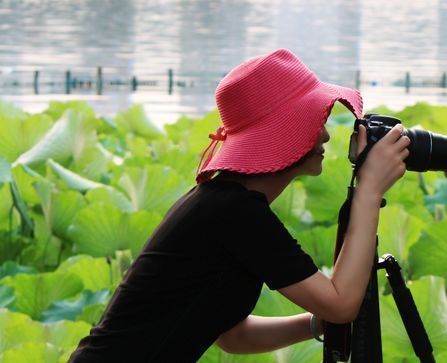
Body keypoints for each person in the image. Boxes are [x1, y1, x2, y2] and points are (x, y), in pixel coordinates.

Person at [68, 48, 411, 362]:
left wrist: (317, 325)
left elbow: (233, 335)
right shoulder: (235, 212)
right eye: (314, 120)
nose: (325, 135)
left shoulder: (224, 203)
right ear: (285, 134)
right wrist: (369, 191)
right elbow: (341, 304)